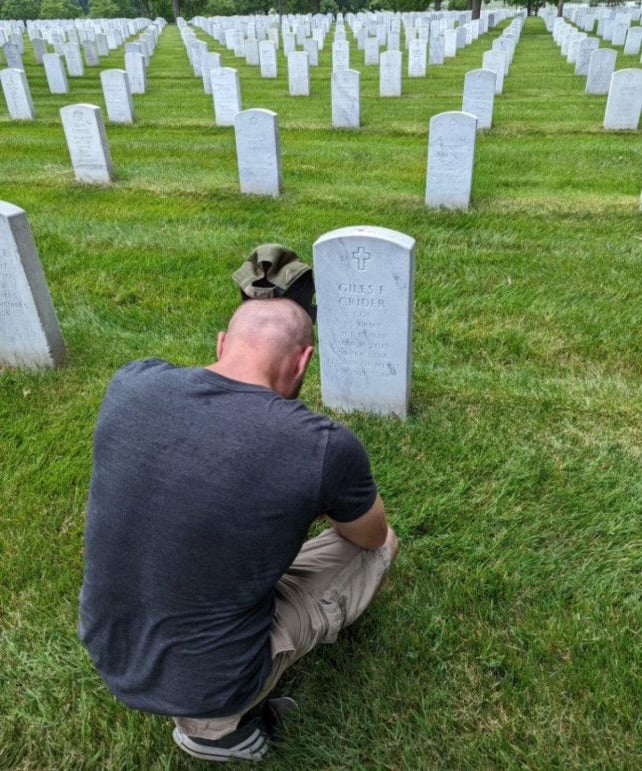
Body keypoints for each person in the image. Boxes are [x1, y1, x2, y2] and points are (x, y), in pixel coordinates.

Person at [79, 298, 398, 763]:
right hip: (208, 686)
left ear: (223, 343)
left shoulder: (132, 382)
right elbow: (370, 535)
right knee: (382, 548)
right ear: (304, 362)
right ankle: (217, 732)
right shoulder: (321, 445)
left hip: (107, 644)